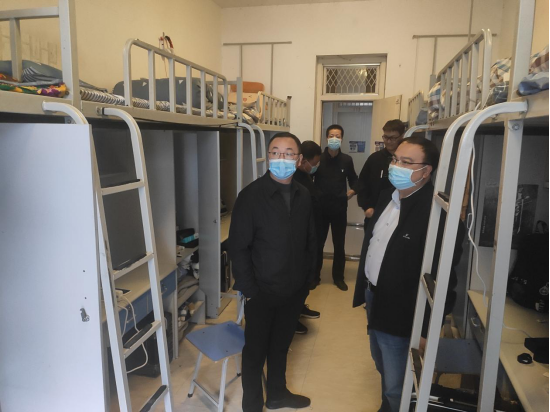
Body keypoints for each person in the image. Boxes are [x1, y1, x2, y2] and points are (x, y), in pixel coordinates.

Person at [353, 136, 465, 412]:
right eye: (395, 159)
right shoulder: (387, 197)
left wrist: (427, 328)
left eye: (406, 162)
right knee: (380, 361)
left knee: (397, 381)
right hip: (374, 296)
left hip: (403, 310)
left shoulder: (437, 214)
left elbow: (444, 277)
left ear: (426, 171)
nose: (396, 167)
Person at [229, 132, 316, 412]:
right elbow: (238, 247)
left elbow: (310, 240)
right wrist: (250, 290)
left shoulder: (304, 195)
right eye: (275, 152)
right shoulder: (251, 196)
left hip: (293, 289)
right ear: (268, 157)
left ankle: (277, 395)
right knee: (255, 352)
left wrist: (308, 280)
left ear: (298, 159)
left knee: (280, 346)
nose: (281, 158)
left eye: (288, 153)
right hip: (262, 290)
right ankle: (252, 405)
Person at [314, 125, 359, 291]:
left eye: (338, 136)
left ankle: (338, 277)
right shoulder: (318, 158)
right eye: (332, 135)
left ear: (342, 139)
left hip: (339, 209)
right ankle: (314, 277)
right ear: (327, 138)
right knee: (317, 244)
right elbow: (307, 177)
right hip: (320, 209)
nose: (334, 138)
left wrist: (352, 192)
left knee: (339, 245)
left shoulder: (346, 160)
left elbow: (354, 179)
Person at [293, 140, 323, 334]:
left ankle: (299, 308)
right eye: (315, 163)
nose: (316, 166)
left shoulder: (305, 176)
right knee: (297, 280)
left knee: (304, 281)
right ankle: (292, 317)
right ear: (304, 161)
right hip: (300, 240)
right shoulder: (294, 180)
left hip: (310, 236)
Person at [357, 120, 406, 228]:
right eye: (385, 137)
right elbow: (362, 183)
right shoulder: (374, 158)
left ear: (402, 136)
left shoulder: (407, 160)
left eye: (393, 138)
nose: (388, 141)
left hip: (399, 214)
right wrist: (366, 207)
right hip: (374, 212)